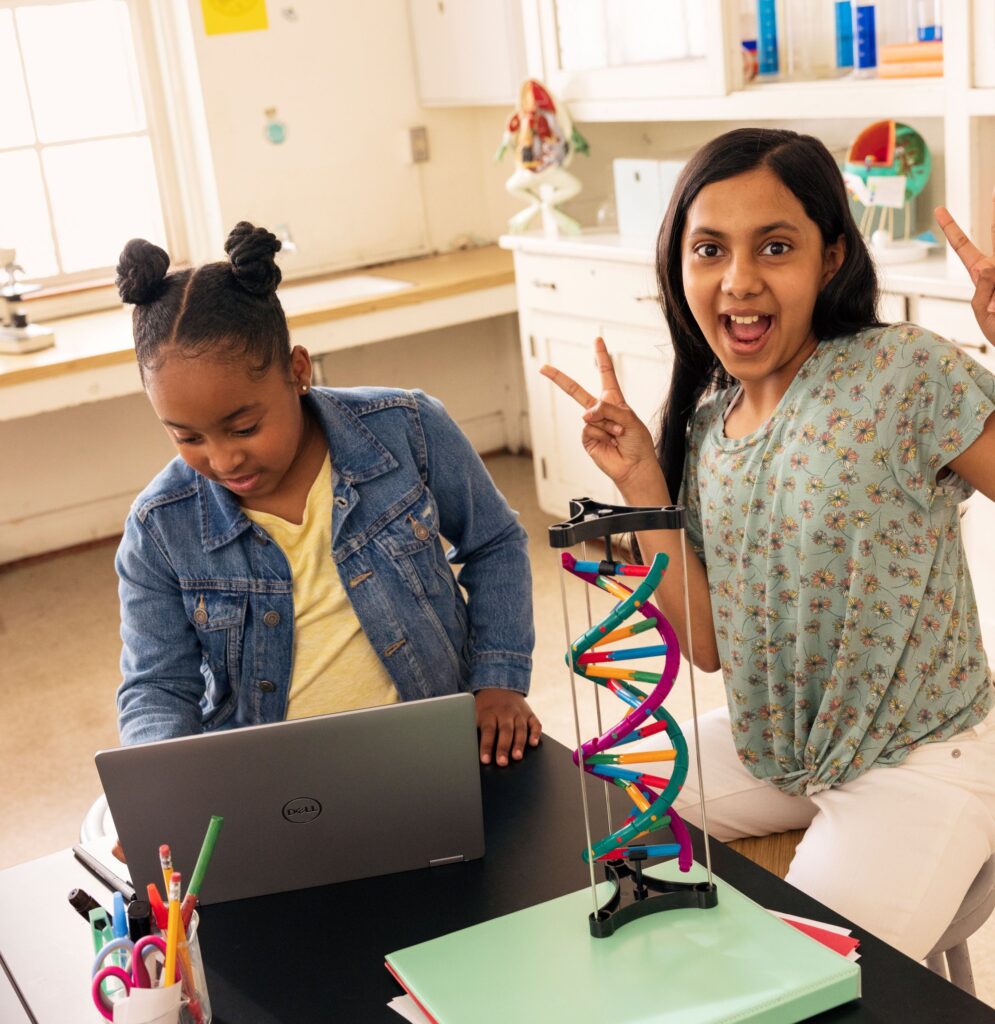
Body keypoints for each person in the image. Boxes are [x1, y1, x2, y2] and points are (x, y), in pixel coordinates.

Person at [541, 127, 995, 962]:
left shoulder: (904, 372)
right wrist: (645, 478)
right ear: (677, 266)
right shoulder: (709, 426)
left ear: (830, 258)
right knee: (582, 819)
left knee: (790, 981)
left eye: (774, 246)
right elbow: (709, 647)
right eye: (708, 248)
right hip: (778, 747)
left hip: (920, 757)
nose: (738, 280)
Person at [114, 222, 541, 768]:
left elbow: (495, 543)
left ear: (298, 371)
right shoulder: (158, 527)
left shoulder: (408, 429)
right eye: (187, 437)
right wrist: (158, 782)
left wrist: (498, 679)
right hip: (273, 780)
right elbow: (156, 685)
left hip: (439, 749)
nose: (222, 460)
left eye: (244, 428)